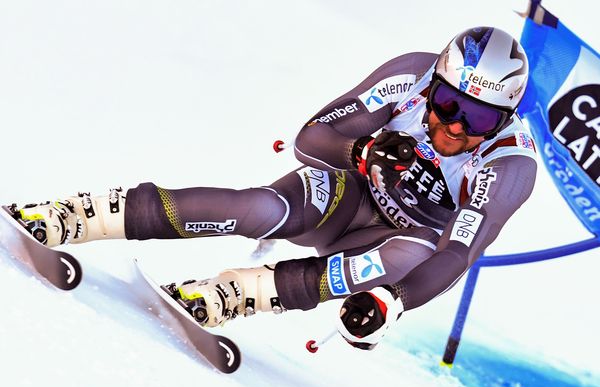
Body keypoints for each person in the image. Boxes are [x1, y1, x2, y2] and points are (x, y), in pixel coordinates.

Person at [9, 26, 537, 350]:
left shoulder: (508, 166)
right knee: (262, 207)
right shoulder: (411, 77)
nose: (457, 128)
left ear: (507, 119)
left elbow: (457, 254)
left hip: (400, 243)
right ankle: (83, 214)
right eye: (450, 106)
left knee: (400, 259)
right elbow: (313, 136)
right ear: (435, 85)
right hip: (351, 194)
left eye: (479, 119)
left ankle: (240, 293)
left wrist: (390, 303)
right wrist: (362, 152)